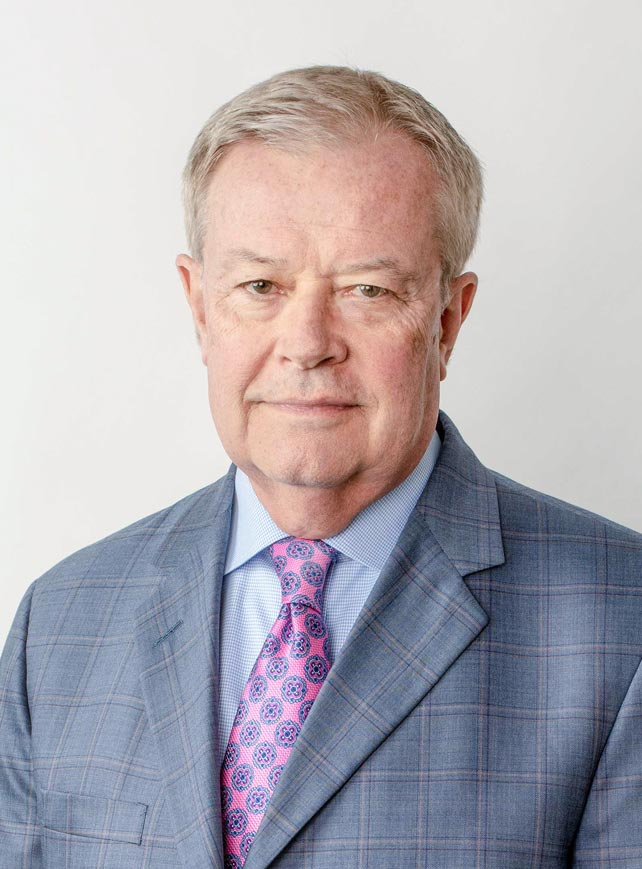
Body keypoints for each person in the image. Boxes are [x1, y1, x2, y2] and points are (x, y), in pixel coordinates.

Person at [1, 65, 641, 869]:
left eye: (368, 289)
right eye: (260, 285)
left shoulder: (621, 627)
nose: (307, 342)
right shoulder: (59, 624)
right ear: (200, 308)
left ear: (448, 318)